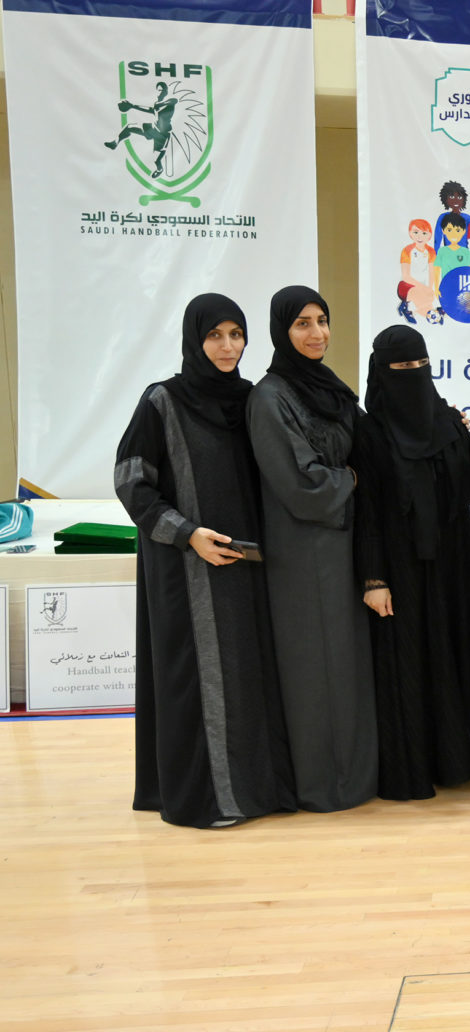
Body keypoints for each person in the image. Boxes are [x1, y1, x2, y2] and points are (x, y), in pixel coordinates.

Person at [116, 293, 296, 828]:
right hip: (187, 568)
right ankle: (203, 796)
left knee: (248, 674)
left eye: (236, 334)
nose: (227, 346)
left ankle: (257, 789)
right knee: (195, 680)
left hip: (248, 566)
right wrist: (187, 534)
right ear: (195, 340)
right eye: (215, 335)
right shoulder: (162, 401)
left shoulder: (252, 400)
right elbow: (131, 481)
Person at [247, 285, 378, 812]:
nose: (317, 333)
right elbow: (301, 484)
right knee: (315, 667)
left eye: (322, 320)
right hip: (304, 551)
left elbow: (369, 443)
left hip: (342, 543)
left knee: (345, 664)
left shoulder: (329, 388)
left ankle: (357, 777)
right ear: (282, 331)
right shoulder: (270, 397)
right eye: (302, 323)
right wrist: (351, 478)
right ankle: (325, 786)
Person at [353, 325, 470, 800]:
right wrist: (373, 579)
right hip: (403, 566)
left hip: (458, 561)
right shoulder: (369, 434)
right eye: (402, 367)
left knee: (463, 649)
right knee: (414, 661)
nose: (414, 374)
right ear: (382, 372)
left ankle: (469, 760)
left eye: (421, 365)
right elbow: (367, 511)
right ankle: (421, 764)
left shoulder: (449, 422)